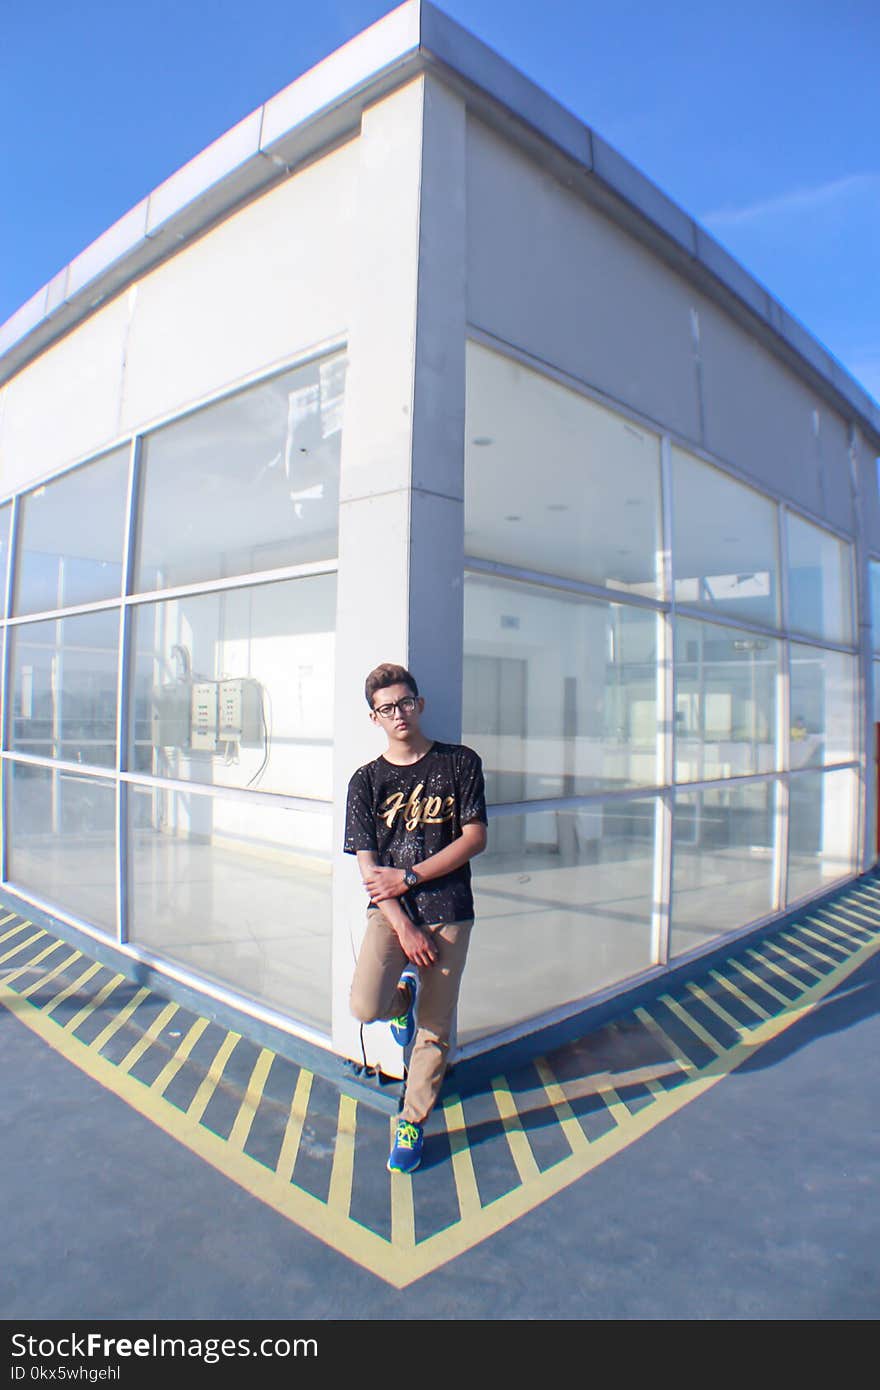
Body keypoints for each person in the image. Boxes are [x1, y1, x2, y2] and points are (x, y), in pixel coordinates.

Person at [343, 662, 488, 1174]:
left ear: (420, 704)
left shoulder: (459, 763)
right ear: (374, 717)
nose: (399, 714)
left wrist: (408, 877)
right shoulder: (366, 781)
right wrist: (403, 924)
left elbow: (474, 839)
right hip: (392, 916)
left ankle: (413, 1118)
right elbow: (367, 866)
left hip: (450, 911)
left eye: (406, 703)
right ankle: (399, 998)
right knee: (365, 1006)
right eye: (388, 708)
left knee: (435, 1027)